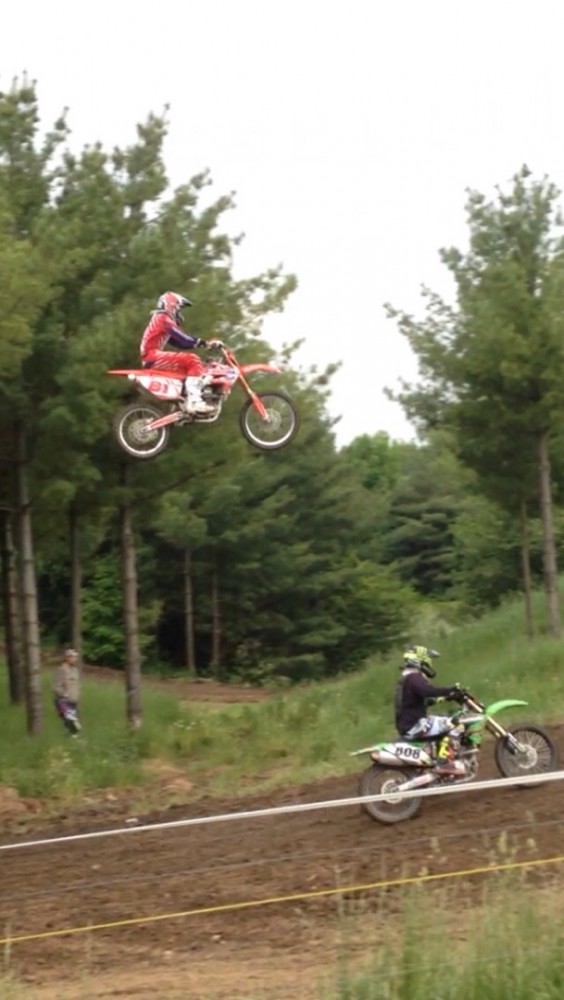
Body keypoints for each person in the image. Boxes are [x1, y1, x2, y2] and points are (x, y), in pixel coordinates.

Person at [139, 291, 223, 414]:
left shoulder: (160, 320)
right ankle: (194, 402)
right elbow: (182, 338)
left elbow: (180, 343)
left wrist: (201, 344)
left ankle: (184, 401)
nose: (179, 313)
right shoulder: (163, 318)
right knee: (192, 360)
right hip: (152, 356)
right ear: (171, 305)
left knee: (189, 366)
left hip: (152, 356)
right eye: (178, 309)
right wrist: (204, 343)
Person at [395, 645, 465, 776]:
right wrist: (450, 690)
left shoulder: (408, 679)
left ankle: (439, 756)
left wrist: (445, 698)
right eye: (428, 660)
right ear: (419, 660)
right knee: (456, 723)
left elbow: (424, 700)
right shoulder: (413, 678)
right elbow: (427, 691)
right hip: (415, 725)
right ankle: (445, 763)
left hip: (409, 723)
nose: (429, 663)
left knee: (443, 718)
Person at [53, 647, 82, 736]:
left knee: (73, 728)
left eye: (76, 657)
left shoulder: (75, 670)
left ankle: (70, 740)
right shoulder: (62, 670)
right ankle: (70, 738)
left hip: (73, 701)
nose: (74, 659)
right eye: (72, 657)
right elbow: (56, 686)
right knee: (73, 725)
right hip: (64, 702)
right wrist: (64, 695)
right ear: (67, 657)